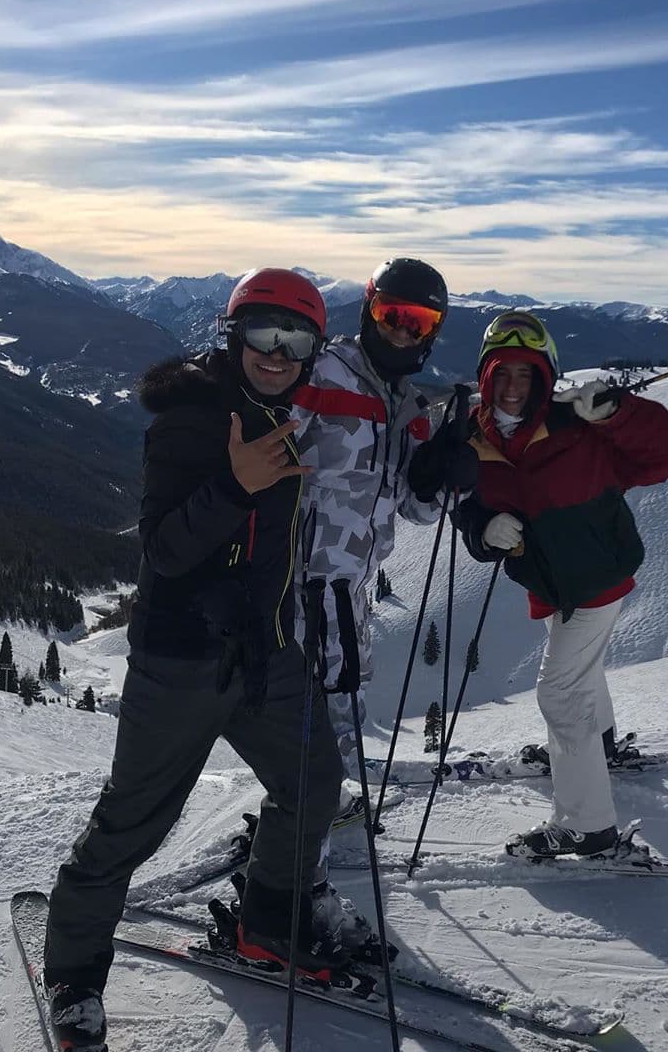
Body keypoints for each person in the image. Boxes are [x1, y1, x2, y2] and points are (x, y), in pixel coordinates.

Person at [42, 268, 347, 1052]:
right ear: (233, 334)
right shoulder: (189, 422)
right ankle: (75, 978)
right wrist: (238, 487)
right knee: (131, 824)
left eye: (295, 339)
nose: (276, 352)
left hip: (265, 655)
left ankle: (267, 922)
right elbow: (165, 551)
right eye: (262, 333)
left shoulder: (282, 413)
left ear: (314, 351)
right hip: (180, 664)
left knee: (313, 782)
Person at [291, 256, 476, 945]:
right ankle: (292, 892)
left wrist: (440, 475)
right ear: (368, 310)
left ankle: (316, 818)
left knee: (342, 710)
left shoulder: (405, 404)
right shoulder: (325, 375)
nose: (402, 332)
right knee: (318, 723)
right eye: (391, 315)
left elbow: (414, 507)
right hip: (307, 585)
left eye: (418, 321)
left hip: (352, 587)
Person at [457, 311, 668, 858]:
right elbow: (467, 506)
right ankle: (598, 746)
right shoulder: (475, 436)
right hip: (554, 581)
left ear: (544, 377)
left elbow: (663, 452)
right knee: (577, 674)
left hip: (595, 576)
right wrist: (484, 530)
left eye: (526, 375)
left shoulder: (579, 424)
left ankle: (587, 826)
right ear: (487, 378)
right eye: (502, 375)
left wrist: (618, 412)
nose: (513, 388)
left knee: (559, 691)